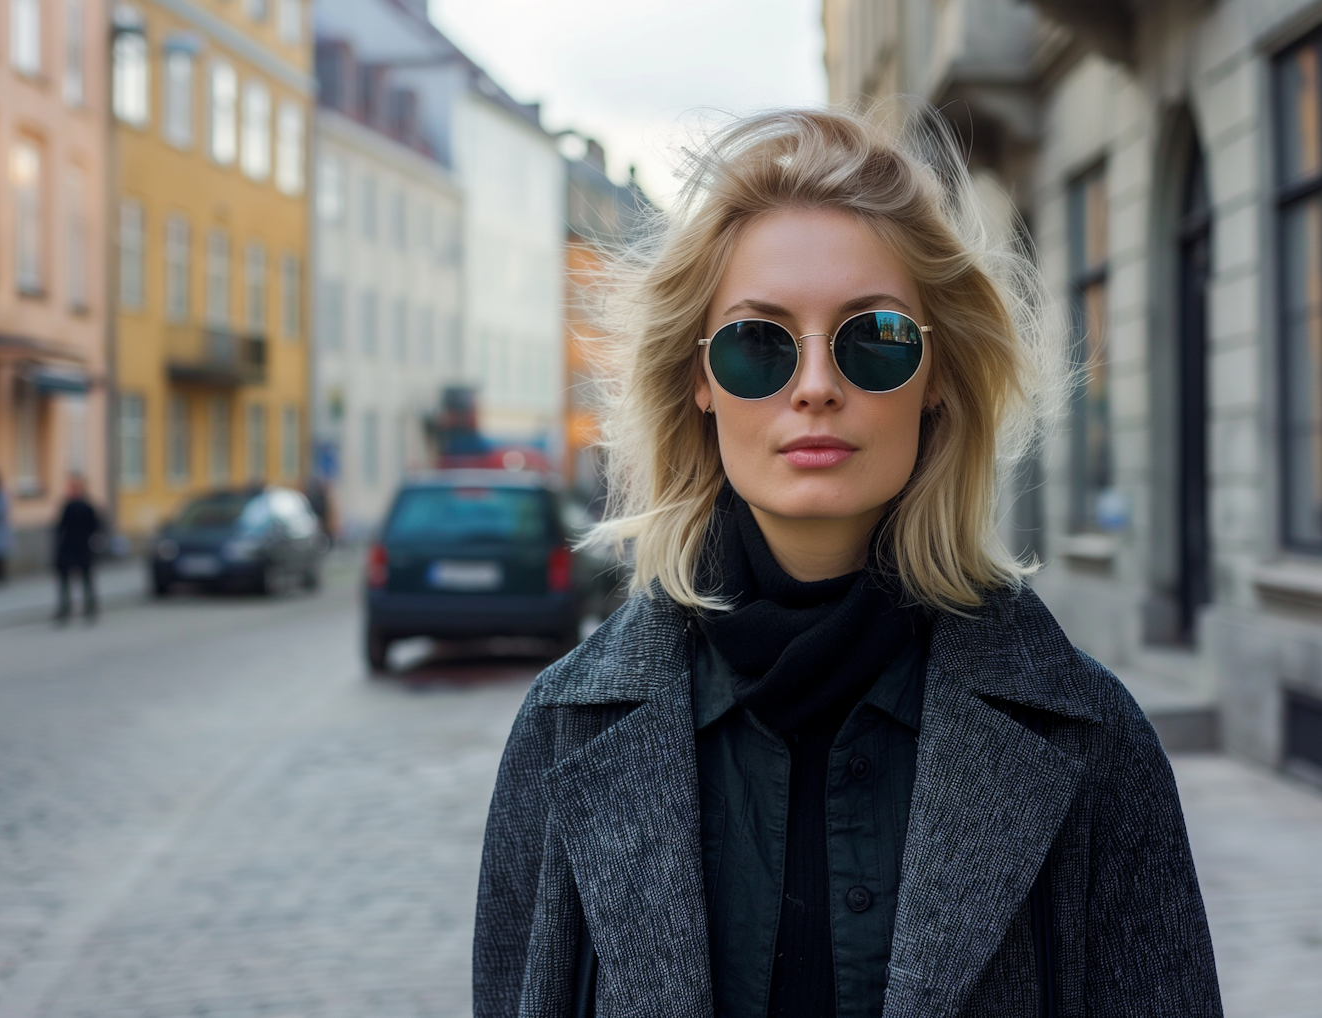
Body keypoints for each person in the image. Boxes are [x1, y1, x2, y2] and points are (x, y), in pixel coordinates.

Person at [472, 109, 1221, 1017]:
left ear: (937, 374)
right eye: (760, 344)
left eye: (874, 338)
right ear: (699, 380)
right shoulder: (565, 732)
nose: (818, 384)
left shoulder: (1091, 741)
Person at [53, 473, 101, 622]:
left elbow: (96, 528)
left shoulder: (86, 507)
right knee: (66, 580)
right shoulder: (69, 506)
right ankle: (66, 608)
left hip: (82, 547)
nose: (71, 490)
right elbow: (60, 528)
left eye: (74, 487)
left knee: (86, 579)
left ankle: (89, 607)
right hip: (70, 547)